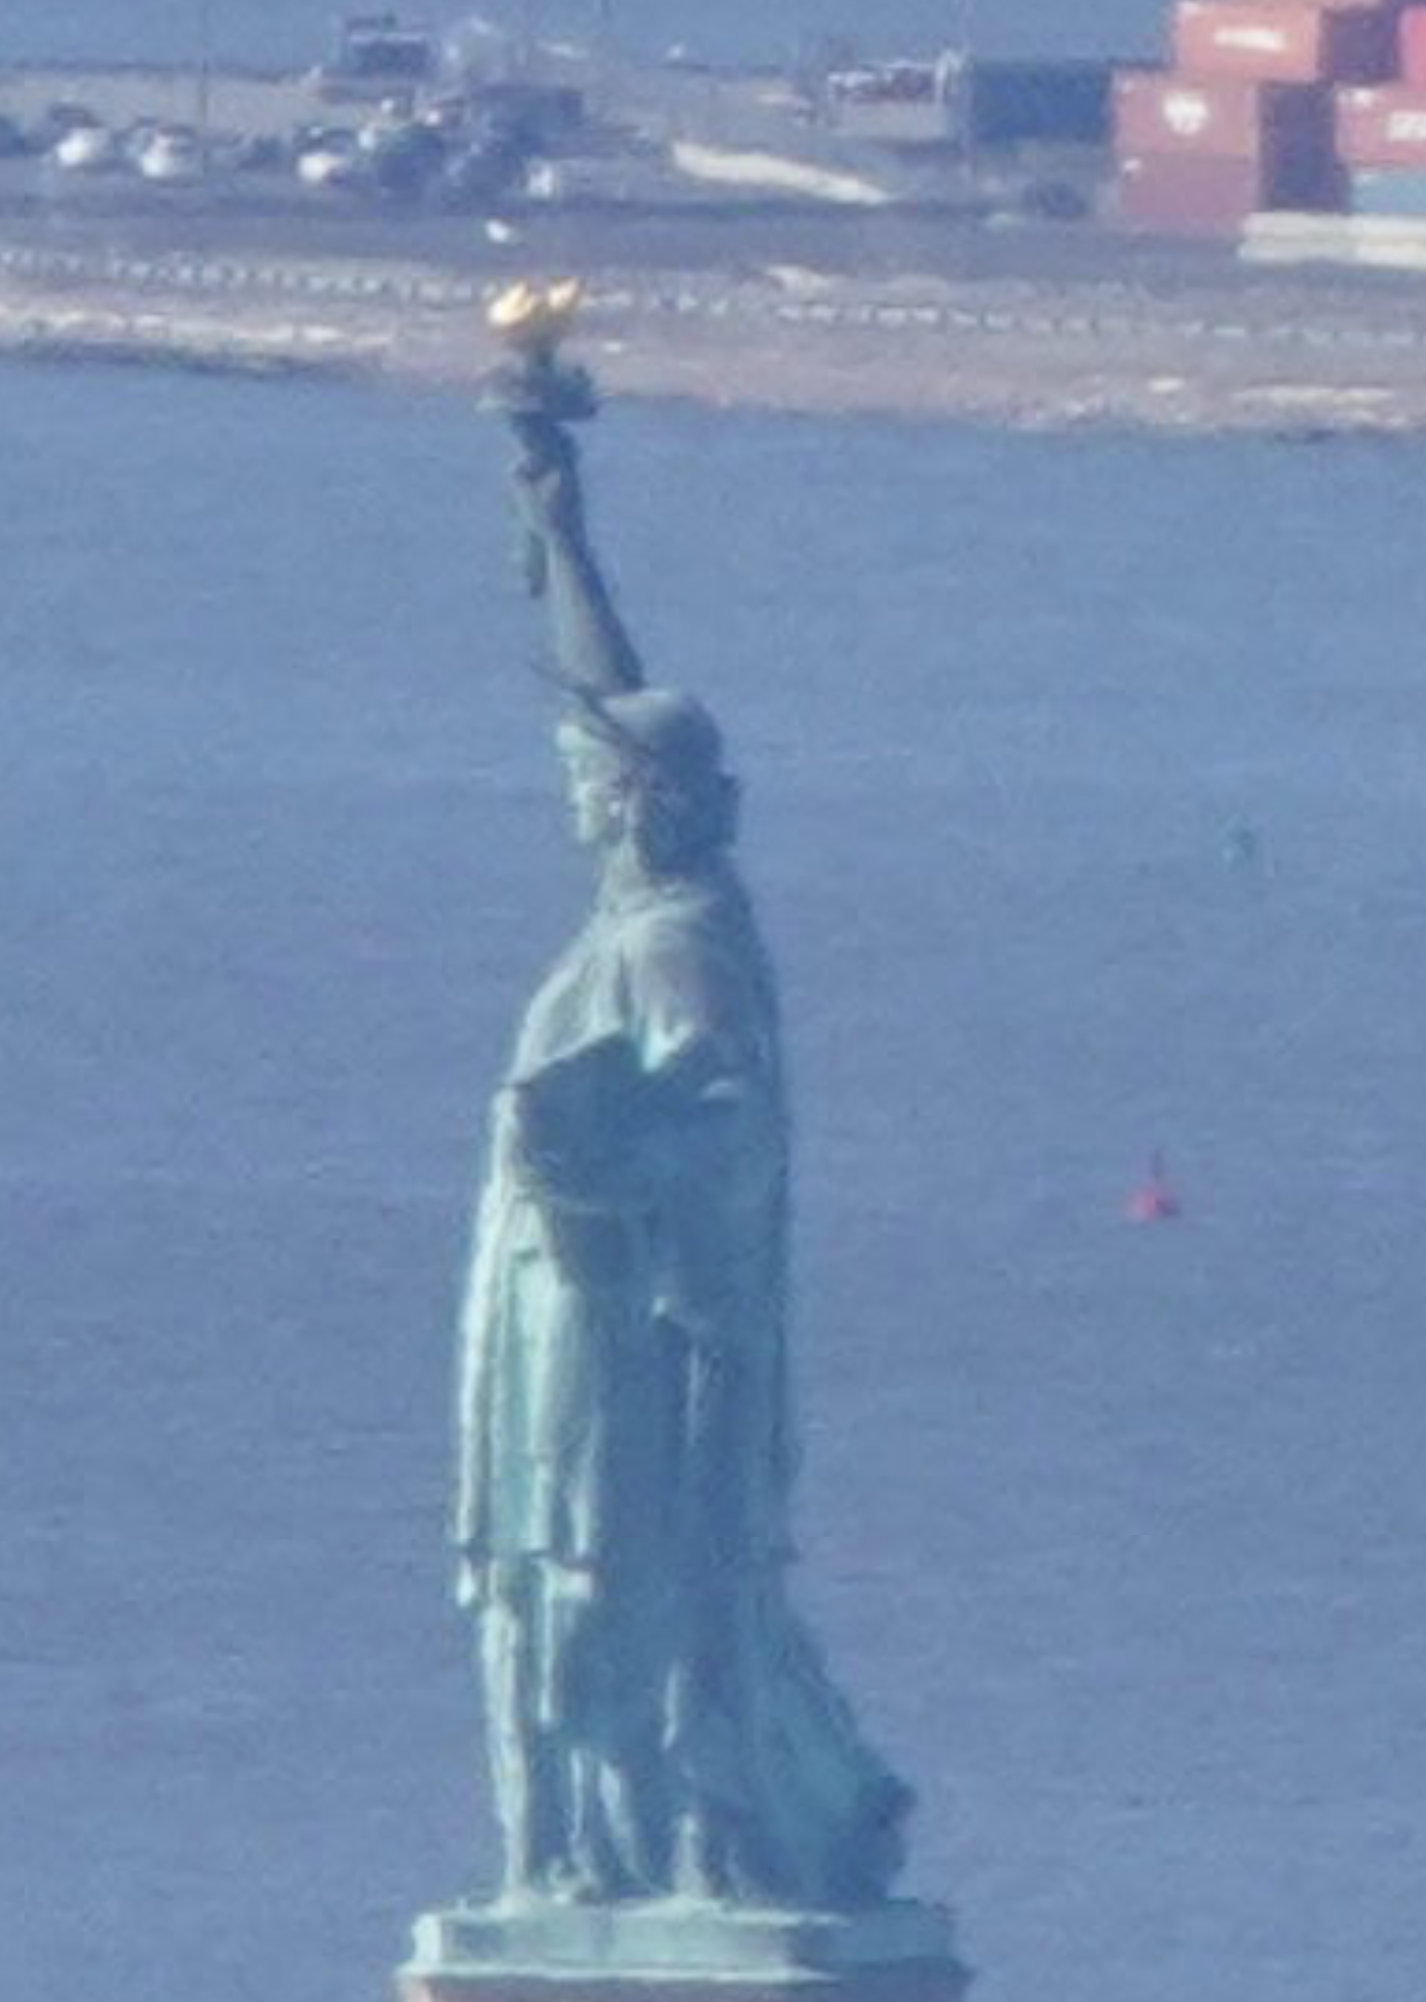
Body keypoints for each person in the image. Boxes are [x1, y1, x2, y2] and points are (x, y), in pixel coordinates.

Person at [451, 327, 912, 1912]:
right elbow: (602, 685)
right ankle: (585, 1845)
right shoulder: (649, 897)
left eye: (596, 785)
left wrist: (580, 1146)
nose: (573, 796)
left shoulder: (675, 939)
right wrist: (554, 505)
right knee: (561, 1592)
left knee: (611, 1592)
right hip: (565, 1308)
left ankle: (632, 1843)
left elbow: (716, 1122)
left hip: (636, 1333)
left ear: (646, 804)